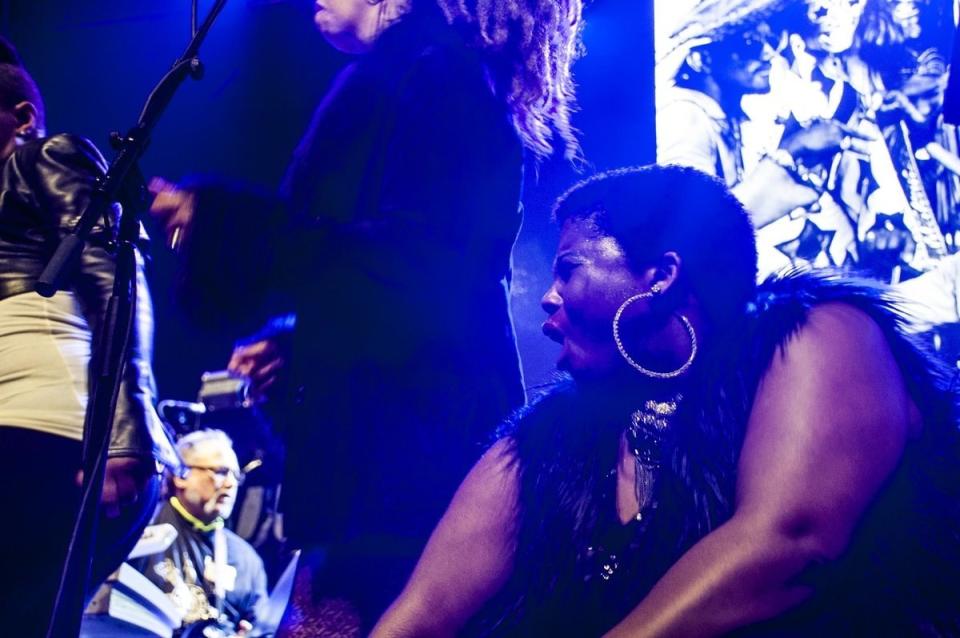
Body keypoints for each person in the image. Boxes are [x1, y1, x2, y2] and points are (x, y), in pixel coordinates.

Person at [372, 165, 960, 636]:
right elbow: (426, 608)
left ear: (662, 276)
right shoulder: (550, 440)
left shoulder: (817, 334)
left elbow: (788, 543)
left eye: (570, 269)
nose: (547, 299)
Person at [148, 0, 584, 631]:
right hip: (390, 467)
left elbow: (422, 266)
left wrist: (226, 224)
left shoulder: (437, 76)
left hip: (408, 470)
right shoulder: (420, 78)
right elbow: (397, 283)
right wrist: (302, 342)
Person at [0, 39, 178, 636]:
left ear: (22, 115)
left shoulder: (43, 157)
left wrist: (122, 430)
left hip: (50, 434)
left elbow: (115, 277)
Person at [131, 429, 268, 637]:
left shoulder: (246, 558)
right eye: (221, 471)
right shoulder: (140, 533)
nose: (231, 484)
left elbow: (262, 626)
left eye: (236, 475)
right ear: (180, 475)